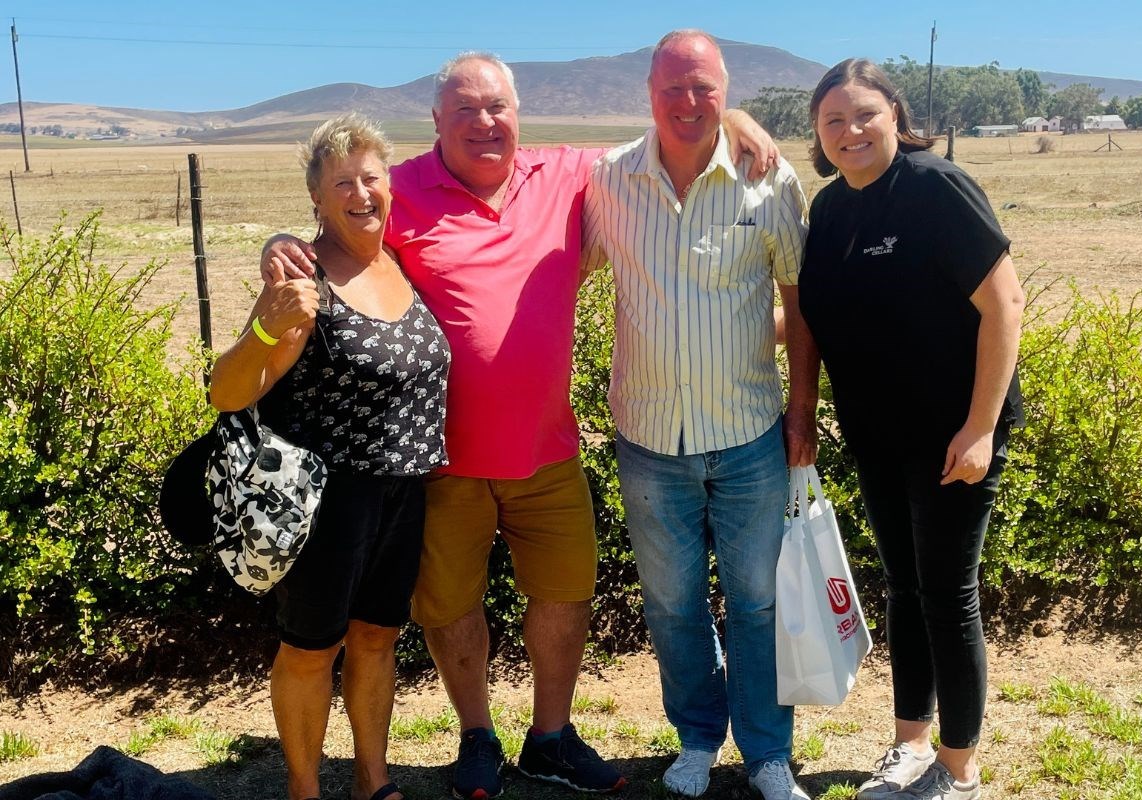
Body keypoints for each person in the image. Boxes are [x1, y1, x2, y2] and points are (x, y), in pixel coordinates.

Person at [261, 52, 779, 800]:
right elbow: (345, 213)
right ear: (436, 121)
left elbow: (671, 136)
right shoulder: (402, 188)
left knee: (566, 593)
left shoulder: (566, 173)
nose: (484, 122)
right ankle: (476, 734)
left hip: (548, 451)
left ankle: (550, 738)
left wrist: (729, 116)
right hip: (443, 461)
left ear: (518, 112)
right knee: (450, 607)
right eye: (464, 110)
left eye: (496, 106)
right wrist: (280, 243)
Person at [582, 30, 817, 800]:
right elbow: (543, 255)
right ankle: (696, 738)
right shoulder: (608, 180)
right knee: (672, 605)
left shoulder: (768, 180)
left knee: (758, 602)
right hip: (649, 440)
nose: (688, 103)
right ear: (648, 92)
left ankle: (767, 752)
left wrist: (803, 409)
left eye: (705, 89)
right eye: (672, 89)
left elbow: (799, 301)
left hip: (749, 435)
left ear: (726, 91)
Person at [796, 59, 1025, 800]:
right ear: (818, 135)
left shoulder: (935, 187)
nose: (850, 131)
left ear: (894, 113)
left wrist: (981, 427)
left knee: (947, 594)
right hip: (877, 434)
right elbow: (812, 317)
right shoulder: (830, 210)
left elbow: (1005, 305)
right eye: (833, 120)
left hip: (951, 435)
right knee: (903, 588)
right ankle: (909, 743)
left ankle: (957, 767)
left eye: (864, 114)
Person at [210, 114, 450, 800]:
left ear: (389, 185)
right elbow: (227, 392)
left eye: (370, 178)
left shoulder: (400, 262)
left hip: (404, 493)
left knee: (376, 639)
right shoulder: (304, 277)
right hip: (326, 502)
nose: (360, 193)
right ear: (315, 197)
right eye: (341, 182)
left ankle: (372, 780)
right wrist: (266, 327)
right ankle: (304, 788)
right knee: (311, 649)